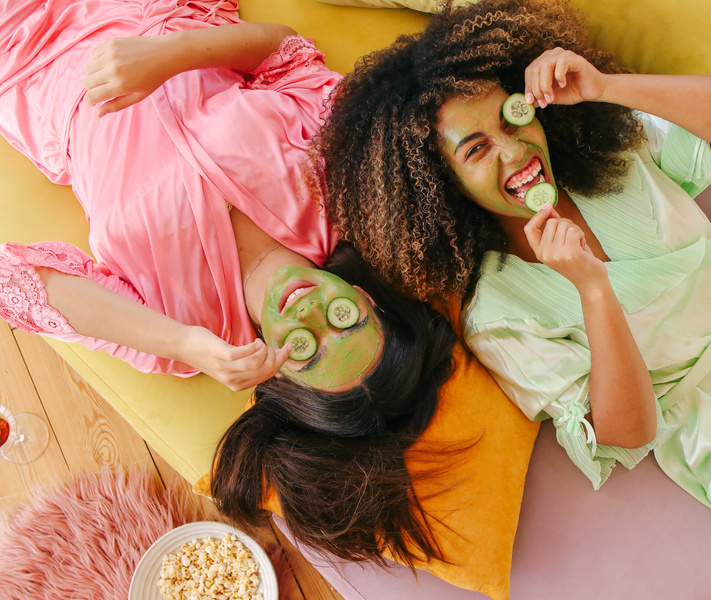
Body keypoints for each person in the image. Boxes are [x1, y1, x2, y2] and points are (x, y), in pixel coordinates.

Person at [316, 0, 711, 591]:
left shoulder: (608, 152)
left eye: (511, 118)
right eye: (476, 149)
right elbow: (627, 431)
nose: (514, 150)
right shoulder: (496, 310)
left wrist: (606, 86)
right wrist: (593, 289)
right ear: (439, 186)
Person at [0, 0, 457, 566]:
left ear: (285, 378)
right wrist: (170, 55)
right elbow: (285, 52)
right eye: (346, 319)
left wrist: (182, 342)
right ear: (366, 299)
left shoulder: (184, 336)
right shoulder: (341, 190)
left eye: (307, 350)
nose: (311, 313)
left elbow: (18, 282)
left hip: (36, 57)